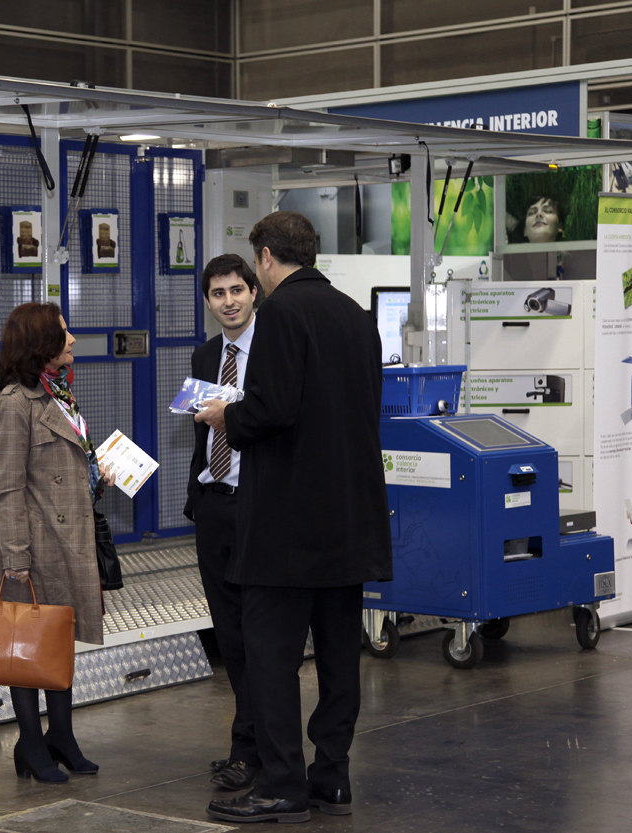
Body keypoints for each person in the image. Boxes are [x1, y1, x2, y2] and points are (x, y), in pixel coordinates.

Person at [196, 212, 392, 824]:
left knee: (270, 656)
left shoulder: (281, 313)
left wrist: (227, 414)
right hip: (348, 519)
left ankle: (282, 782)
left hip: (287, 525)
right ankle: (332, 777)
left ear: (264, 259)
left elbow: (272, 410)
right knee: (339, 656)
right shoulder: (357, 317)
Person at [0, 302, 114, 783]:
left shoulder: (60, 395)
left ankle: (62, 737)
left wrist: (101, 475)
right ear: (41, 343)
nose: (74, 340)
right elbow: (6, 488)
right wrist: (16, 558)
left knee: (57, 643)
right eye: (64, 333)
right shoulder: (15, 405)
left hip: (66, 542)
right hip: (31, 549)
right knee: (25, 648)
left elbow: (68, 468)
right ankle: (31, 745)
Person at [184, 253, 263, 793]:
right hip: (215, 505)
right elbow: (202, 432)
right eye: (218, 293)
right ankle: (246, 745)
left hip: (259, 507)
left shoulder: (277, 350)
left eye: (237, 289)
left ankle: (254, 748)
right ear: (208, 301)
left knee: (261, 636)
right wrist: (197, 494)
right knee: (230, 636)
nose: (229, 301)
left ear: (254, 291)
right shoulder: (206, 353)